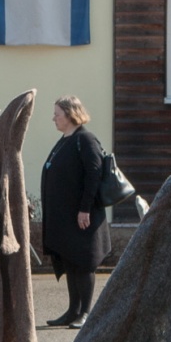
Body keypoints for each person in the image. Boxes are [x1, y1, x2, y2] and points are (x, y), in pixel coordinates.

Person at [40, 95, 110, 328]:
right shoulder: (65, 140)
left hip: (82, 216)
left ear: (70, 115)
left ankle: (85, 312)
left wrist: (85, 209)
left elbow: (94, 175)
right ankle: (73, 310)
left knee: (83, 262)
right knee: (71, 261)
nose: (54, 119)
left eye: (57, 114)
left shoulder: (85, 139)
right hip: (66, 218)